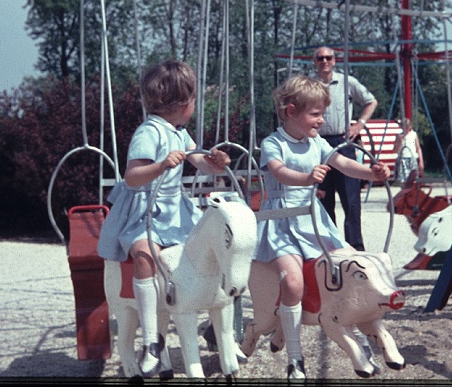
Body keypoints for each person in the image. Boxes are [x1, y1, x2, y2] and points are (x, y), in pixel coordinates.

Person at [96, 60, 231, 378]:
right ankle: (150, 341)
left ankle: (213, 311)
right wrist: (160, 166)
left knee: (207, 250)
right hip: (145, 210)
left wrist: (217, 163)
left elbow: (198, 160)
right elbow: (132, 177)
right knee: (145, 255)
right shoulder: (149, 132)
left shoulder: (179, 132)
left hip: (175, 210)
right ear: (184, 104)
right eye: (194, 100)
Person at [253, 75, 391, 379]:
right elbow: (279, 172)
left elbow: (343, 164)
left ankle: (362, 334)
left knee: (348, 266)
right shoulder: (273, 143)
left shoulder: (316, 142)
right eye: (315, 114)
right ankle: (294, 355)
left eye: (322, 113)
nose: (322, 120)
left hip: (314, 221)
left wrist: (373, 173)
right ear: (291, 112)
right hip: (282, 221)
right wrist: (306, 179)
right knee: (292, 284)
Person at [312, 46, 378, 251]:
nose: (324, 61)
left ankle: (356, 248)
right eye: (320, 58)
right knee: (324, 200)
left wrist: (359, 124)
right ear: (314, 62)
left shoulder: (347, 82)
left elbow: (371, 101)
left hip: (343, 144)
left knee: (351, 200)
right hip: (317, 145)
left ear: (334, 60)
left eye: (328, 57)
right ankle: (330, 248)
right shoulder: (309, 86)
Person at [392, 117, 424, 183]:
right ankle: (404, 192)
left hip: (412, 159)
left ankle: (412, 192)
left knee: (413, 180)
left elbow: (418, 148)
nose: (405, 129)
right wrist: (400, 142)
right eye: (403, 127)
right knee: (403, 181)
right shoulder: (398, 136)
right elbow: (395, 150)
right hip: (402, 159)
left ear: (409, 127)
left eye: (406, 127)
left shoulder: (413, 134)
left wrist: (421, 161)